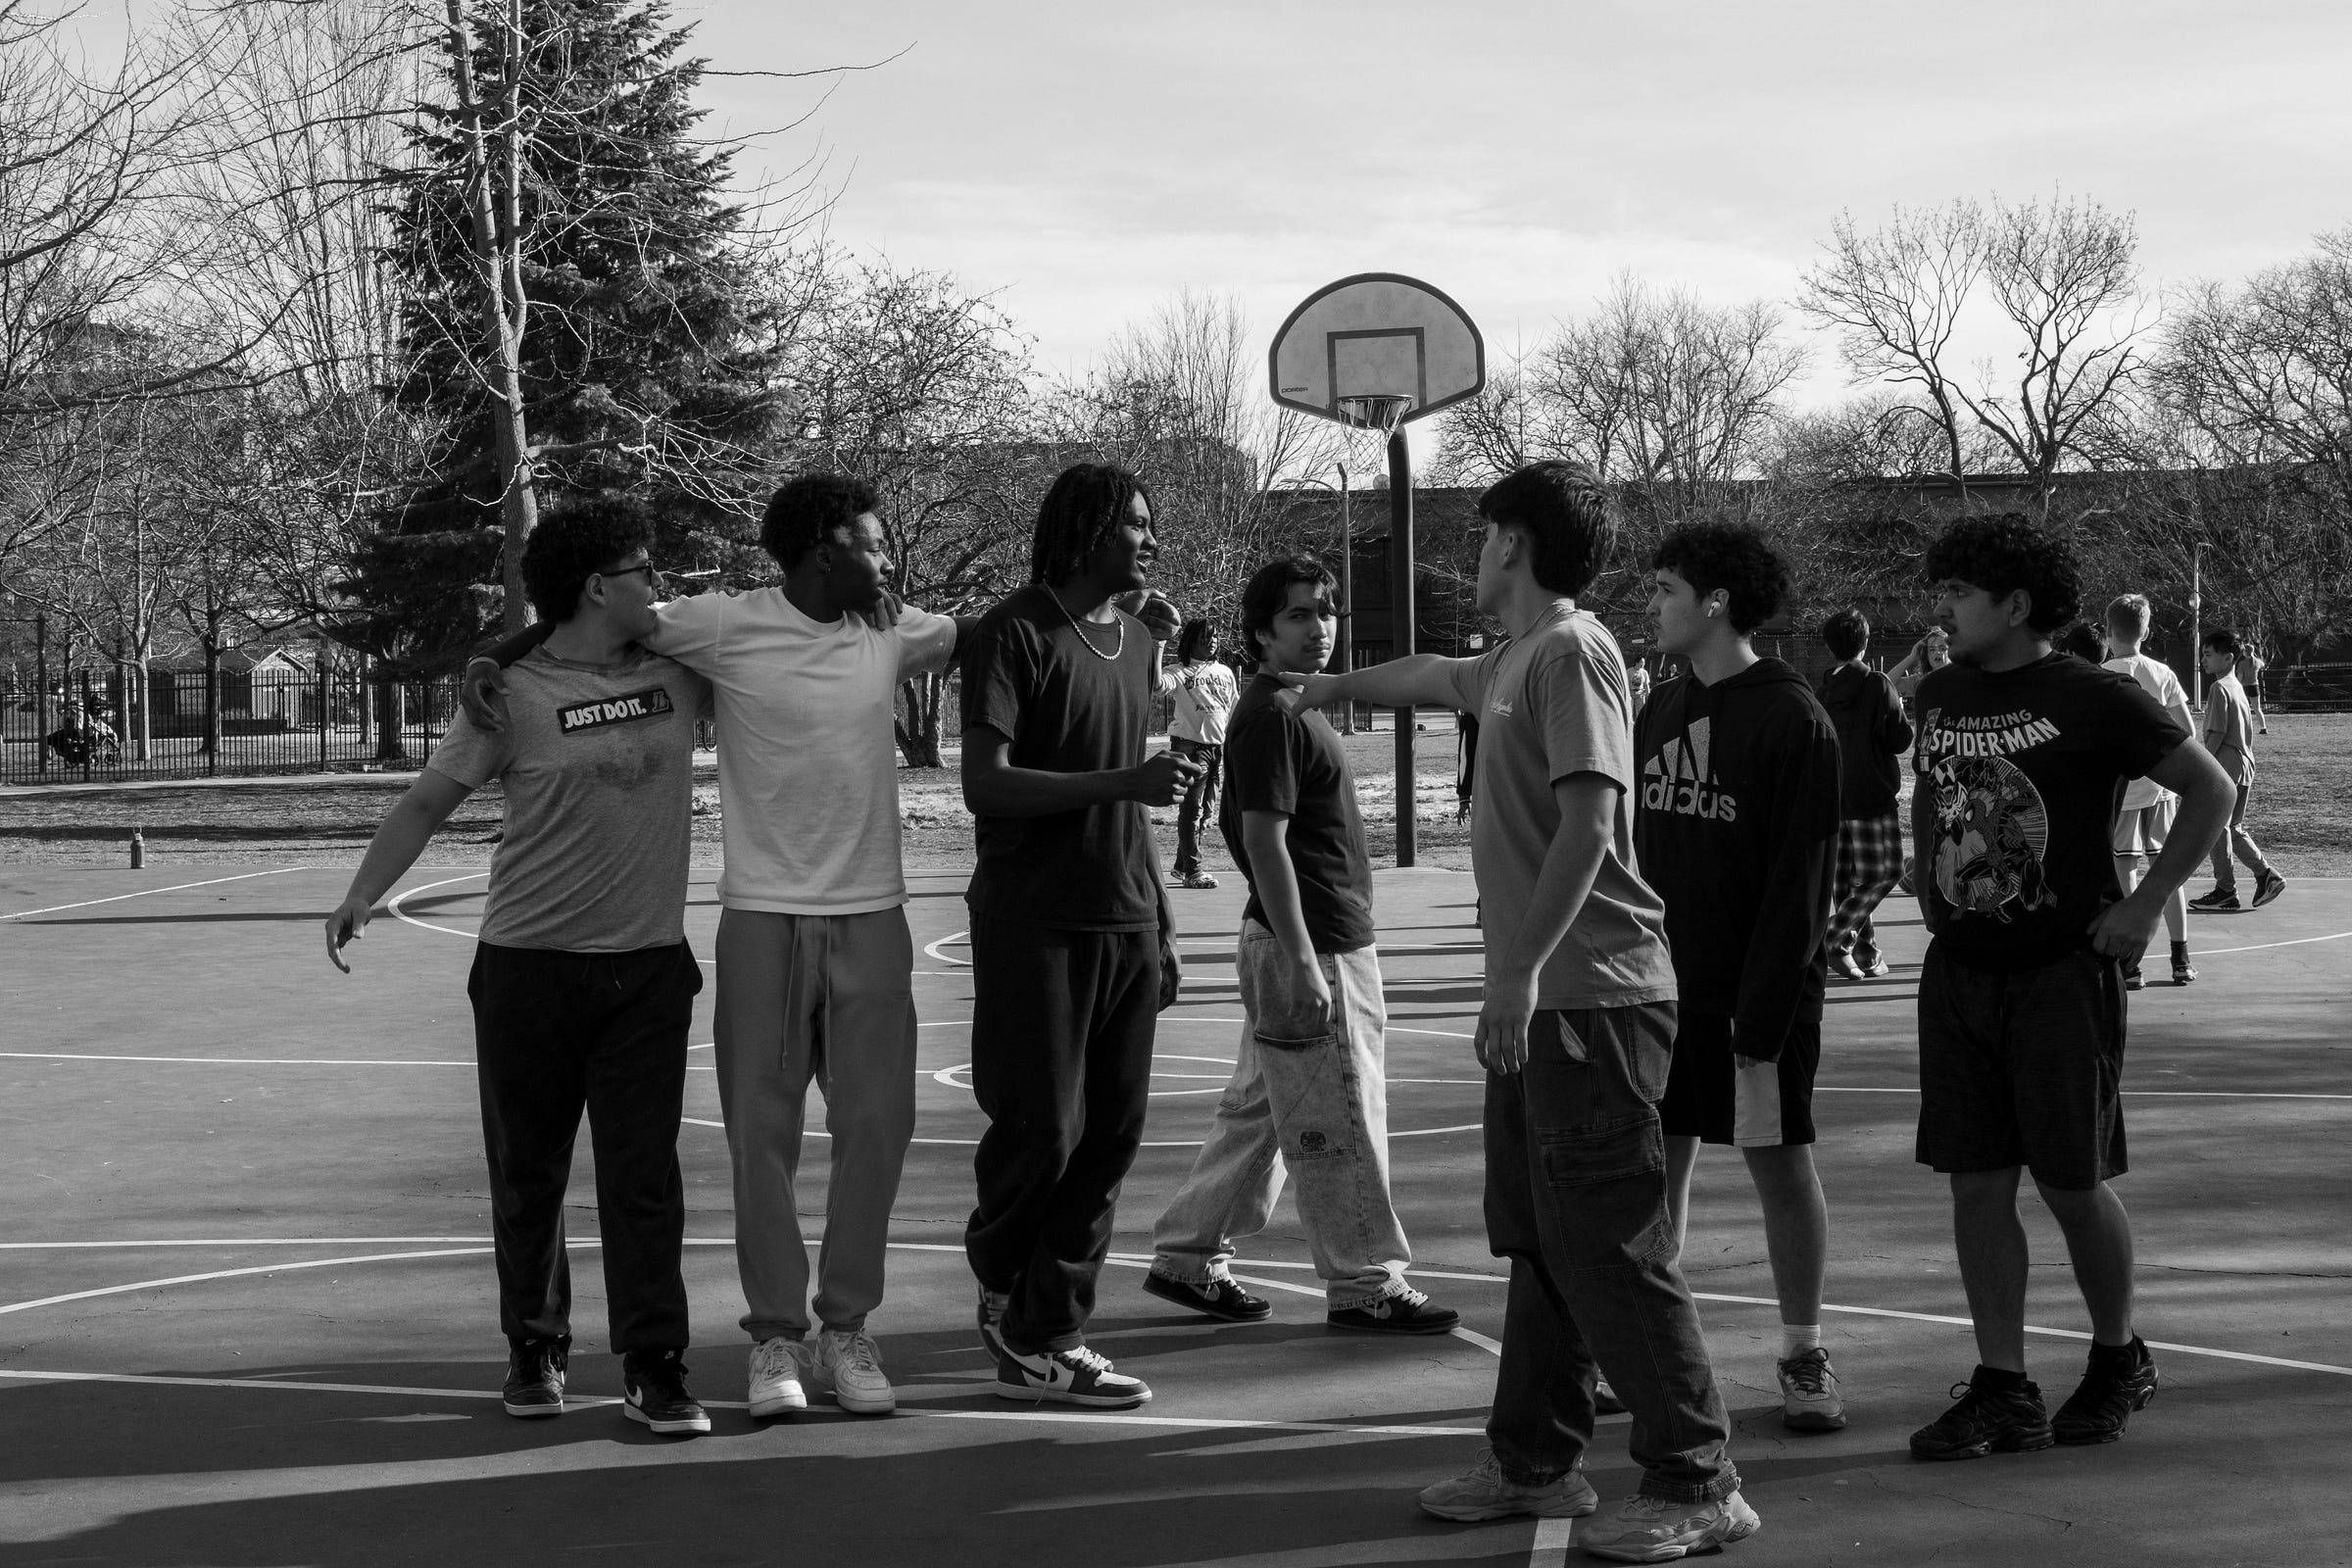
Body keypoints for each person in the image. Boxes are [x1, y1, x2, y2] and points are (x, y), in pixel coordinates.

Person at [1286, 461, 1756, 1564]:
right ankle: (1536, 1457)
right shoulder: (1510, 661)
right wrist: (1317, 688)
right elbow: (1429, 674)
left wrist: (1515, 976)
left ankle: (1699, 1475)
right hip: (1554, 998)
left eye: (1487, 531)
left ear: (1512, 540)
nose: (1475, 549)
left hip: (1592, 996)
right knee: (1546, 1241)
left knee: (1609, 1243)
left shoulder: (1575, 653)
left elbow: (1591, 825)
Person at [462, 474, 970, 1422]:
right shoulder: (721, 626)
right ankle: (776, 1337)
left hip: (874, 917)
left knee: (876, 1128)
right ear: (824, 547)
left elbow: (984, 632)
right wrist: (498, 654)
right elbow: (592, 610)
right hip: (764, 921)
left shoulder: (898, 630)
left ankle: (846, 1328)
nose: (890, 559)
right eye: (874, 541)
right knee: (760, 1138)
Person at [327, 497, 713, 1436]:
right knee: (529, 1173)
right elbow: (426, 801)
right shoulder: (510, 694)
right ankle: (535, 1347)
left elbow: (779, 639)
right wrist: (361, 891)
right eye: (642, 571)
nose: (656, 586)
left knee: (642, 1177)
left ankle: (654, 1364)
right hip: (528, 970)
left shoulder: (684, 669)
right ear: (597, 586)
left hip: (647, 970)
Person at [1904, 515, 2233, 1462]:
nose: (1947, 608)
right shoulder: (1939, 691)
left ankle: (2116, 1356)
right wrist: (1932, 882)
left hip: (2060, 975)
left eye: (1962, 594)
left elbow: (2210, 792)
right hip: (1962, 974)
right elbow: (1932, 790)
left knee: (2071, 1181)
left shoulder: (2095, 696)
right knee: (1976, 1184)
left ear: (2015, 604)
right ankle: (2003, 1386)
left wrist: (2147, 903)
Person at [1144, 557, 1459, 1336]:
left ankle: (1187, 1253)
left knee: (1263, 1111)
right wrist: (1303, 957)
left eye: (1327, 611)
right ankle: (1364, 1279)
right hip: (1312, 943)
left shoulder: (1297, 704)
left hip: (1311, 939)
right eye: (1298, 615)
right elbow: (1262, 843)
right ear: (1260, 631)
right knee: (1344, 1109)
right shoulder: (1273, 716)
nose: (1319, 627)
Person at [960, 461, 1195, 1409]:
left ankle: (1043, 1327)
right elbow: (987, 784)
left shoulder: (1138, 643)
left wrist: (1164, 923)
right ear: (1090, 529)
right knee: (1044, 1129)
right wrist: (1121, 784)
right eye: (1135, 523)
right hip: (1033, 918)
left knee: (1112, 1134)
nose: (1149, 538)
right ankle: (1012, 1287)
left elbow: (1128, 805)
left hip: (1124, 915)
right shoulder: (1013, 632)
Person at [1638, 524, 1846, 1436]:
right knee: (1654, 1170)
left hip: (1756, 994)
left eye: (1667, 587)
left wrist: (1759, 1016)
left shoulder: (1792, 716)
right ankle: (1648, 1345)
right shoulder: (1659, 710)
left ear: (1715, 602)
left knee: (1778, 1163)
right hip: (1659, 989)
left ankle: (1803, 1351)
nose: (1653, 603)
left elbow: (1801, 885)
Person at [2102, 596, 2196, 986]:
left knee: (2126, 871)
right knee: (2169, 874)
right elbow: (2187, 732)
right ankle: (2181, 958)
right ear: (2147, 631)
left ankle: (2131, 963)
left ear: (2108, 632)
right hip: (2161, 787)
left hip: (2123, 790)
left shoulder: (2102, 673)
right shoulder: (2163, 672)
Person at [1816, 609, 1914, 982]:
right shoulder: (1876, 684)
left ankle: (1867, 954)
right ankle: (1833, 937)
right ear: (1866, 641)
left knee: (1845, 881)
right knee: (1885, 871)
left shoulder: (1822, 690)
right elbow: (1899, 739)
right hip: (1872, 792)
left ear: (1830, 647)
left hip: (1835, 794)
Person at [2188, 628, 2285, 913]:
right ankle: (2266, 874)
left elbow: (2216, 734)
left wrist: (2201, 767)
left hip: (2226, 765)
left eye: (2208, 654)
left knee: (2216, 828)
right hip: (2244, 764)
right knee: (2232, 827)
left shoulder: (2219, 689)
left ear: (2228, 658)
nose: (2202, 660)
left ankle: (2225, 891)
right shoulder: (2236, 687)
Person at [1166, 617, 1238, 890]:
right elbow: (1158, 685)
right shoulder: (1179, 671)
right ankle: (1194, 870)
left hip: (1216, 749)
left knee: (1207, 813)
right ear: (1190, 641)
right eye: (1205, 638)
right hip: (1190, 748)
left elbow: (1233, 707)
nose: (1212, 642)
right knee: (1192, 809)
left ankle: (1181, 864)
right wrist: (1157, 644)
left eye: (1215, 637)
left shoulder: (1224, 672)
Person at [1888, 625, 1949, 706]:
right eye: (1932, 649)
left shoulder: (1962, 675)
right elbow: (1888, 683)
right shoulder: (1920, 681)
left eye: (1942, 648)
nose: (1937, 652)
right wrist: (1911, 657)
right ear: (1926, 654)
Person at [2235, 632, 2269, 735]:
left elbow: (2240, 677)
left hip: (2244, 687)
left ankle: (2246, 728)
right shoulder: (2258, 662)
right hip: (2255, 686)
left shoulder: (2242, 664)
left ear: (2245, 652)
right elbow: (2263, 665)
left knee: (2243, 709)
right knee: (2257, 709)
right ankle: (2263, 727)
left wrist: (2236, 686)